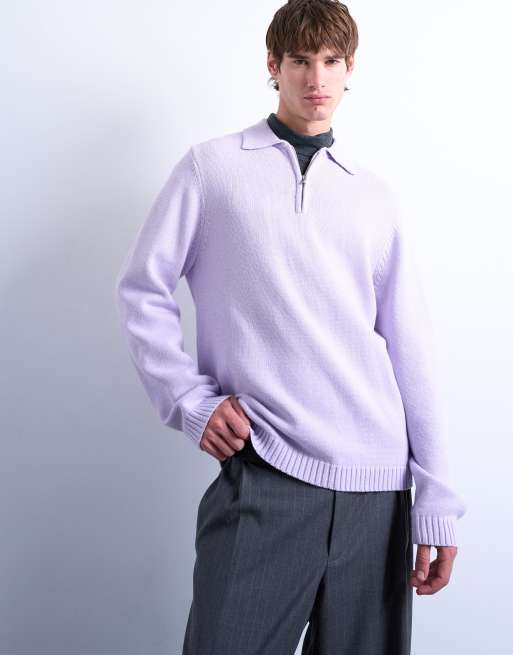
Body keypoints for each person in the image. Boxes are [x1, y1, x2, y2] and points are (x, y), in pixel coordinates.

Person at [115, 1, 467, 653]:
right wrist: (188, 400)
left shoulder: (373, 197)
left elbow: (411, 350)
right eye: (300, 61)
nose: (316, 78)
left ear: (350, 69)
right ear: (272, 66)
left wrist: (437, 500)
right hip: (265, 469)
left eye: (331, 62)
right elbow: (142, 289)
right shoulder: (212, 168)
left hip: (377, 489)